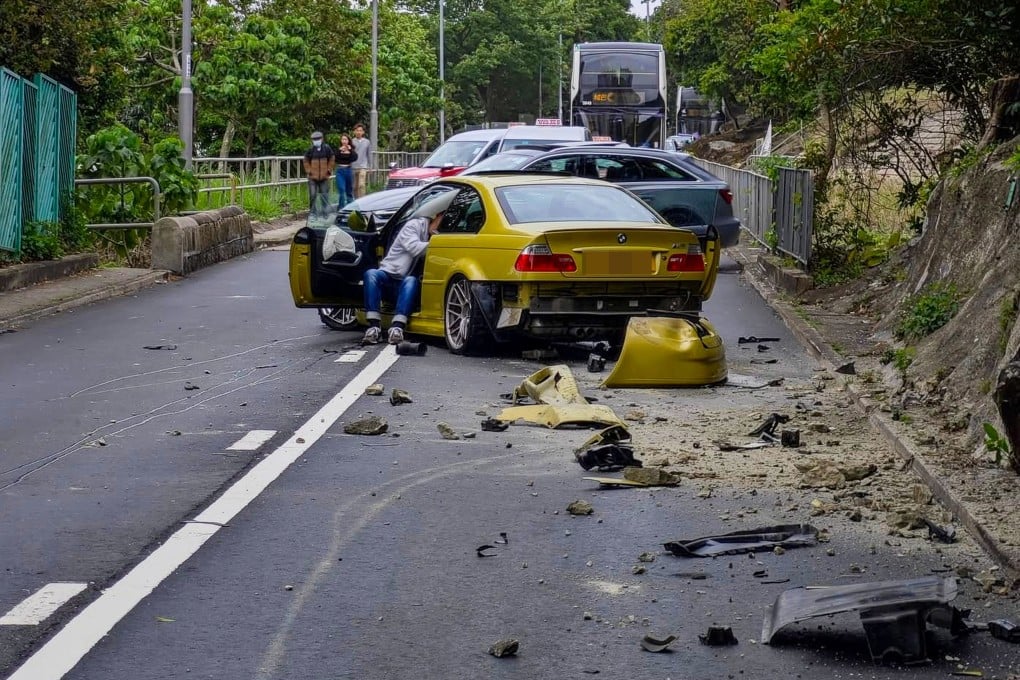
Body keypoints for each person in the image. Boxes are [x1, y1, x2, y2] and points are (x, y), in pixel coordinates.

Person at [361, 192, 454, 345]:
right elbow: (415, 248)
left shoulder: (432, 235)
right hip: (389, 276)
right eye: (441, 222)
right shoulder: (414, 225)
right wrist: (441, 244)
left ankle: (397, 328)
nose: (440, 229)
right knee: (371, 274)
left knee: (411, 281)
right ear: (436, 215)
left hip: (405, 285)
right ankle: (373, 327)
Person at [303, 131, 335, 218]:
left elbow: (332, 158)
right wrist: (309, 171)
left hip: (324, 177)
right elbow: (305, 160)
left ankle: (325, 212)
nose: (316, 141)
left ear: (322, 139)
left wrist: (329, 170)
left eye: (318, 139)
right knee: (313, 195)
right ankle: (313, 212)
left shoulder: (327, 148)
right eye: (314, 139)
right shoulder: (310, 150)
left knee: (324, 195)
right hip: (313, 177)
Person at [334, 133, 357, 209]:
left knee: (349, 191)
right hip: (340, 171)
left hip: (348, 170)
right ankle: (341, 207)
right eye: (343, 139)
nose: (344, 141)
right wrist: (339, 150)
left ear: (348, 141)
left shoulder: (351, 150)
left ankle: (351, 207)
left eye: (346, 139)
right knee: (341, 190)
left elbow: (354, 158)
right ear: (341, 141)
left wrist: (350, 150)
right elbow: (334, 158)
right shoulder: (338, 149)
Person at [351, 123, 371, 199]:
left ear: (363, 132)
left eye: (360, 131)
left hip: (363, 166)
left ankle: (363, 200)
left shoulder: (367, 142)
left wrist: (370, 166)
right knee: (355, 186)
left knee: (361, 185)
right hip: (353, 166)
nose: (359, 132)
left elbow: (369, 154)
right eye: (357, 130)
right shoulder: (352, 141)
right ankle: (356, 201)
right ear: (354, 132)